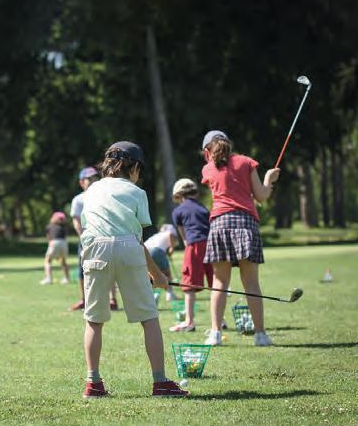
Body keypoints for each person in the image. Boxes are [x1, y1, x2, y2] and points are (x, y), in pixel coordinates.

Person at [80, 141, 188, 398]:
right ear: (135, 167)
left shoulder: (91, 190)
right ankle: (160, 382)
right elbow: (137, 241)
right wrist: (158, 275)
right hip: (128, 248)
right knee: (149, 318)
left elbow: (88, 226)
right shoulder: (137, 192)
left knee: (94, 320)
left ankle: (93, 383)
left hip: (95, 249)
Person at [200, 130, 280, 346]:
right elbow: (261, 196)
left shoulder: (208, 168)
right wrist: (269, 179)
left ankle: (215, 334)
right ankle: (260, 336)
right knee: (251, 284)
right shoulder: (246, 162)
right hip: (246, 223)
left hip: (220, 225)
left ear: (207, 151)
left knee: (219, 282)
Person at [69, 167, 118, 311]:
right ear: (81, 182)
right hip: (86, 240)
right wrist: (84, 239)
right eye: (89, 179)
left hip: (103, 237)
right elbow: (76, 221)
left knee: (108, 267)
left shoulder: (104, 197)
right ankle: (85, 299)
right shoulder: (78, 199)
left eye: (96, 178)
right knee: (83, 270)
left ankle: (112, 299)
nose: (93, 181)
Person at [168, 178, 214, 332]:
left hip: (194, 246)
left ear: (179, 196)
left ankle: (189, 322)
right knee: (215, 285)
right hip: (211, 245)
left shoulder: (178, 211)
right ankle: (220, 321)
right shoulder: (204, 209)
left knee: (189, 286)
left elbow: (184, 238)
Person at [144, 224, 179, 303]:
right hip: (157, 251)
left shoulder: (158, 235)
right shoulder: (169, 232)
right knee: (167, 273)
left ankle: (150, 296)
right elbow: (170, 234)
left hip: (146, 252)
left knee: (150, 274)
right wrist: (172, 247)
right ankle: (170, 294)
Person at [40, 211, 70, 285]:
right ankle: (66, 279)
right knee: (63, 261)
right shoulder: (64, 227)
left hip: (54, 242)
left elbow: (49, 238)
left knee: (47, 261)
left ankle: (49, 279)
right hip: (64, 243)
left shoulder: (49, 226)